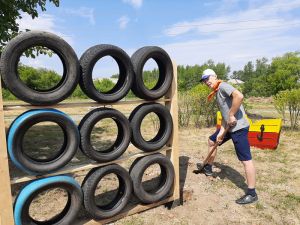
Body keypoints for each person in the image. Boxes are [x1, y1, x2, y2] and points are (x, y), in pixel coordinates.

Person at [200, 68, 258, 205]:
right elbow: (226, 116)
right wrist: (221, 133)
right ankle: (208, 167)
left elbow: (239, 96)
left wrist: (232, 114)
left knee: (246, 160)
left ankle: (252, 193)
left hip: (239, 128)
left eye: (208, 78)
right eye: (204, 80)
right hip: (229, 128)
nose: (206, 82)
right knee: (212, 140)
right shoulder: (217, 92)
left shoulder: (223, 86)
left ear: (215, 76)